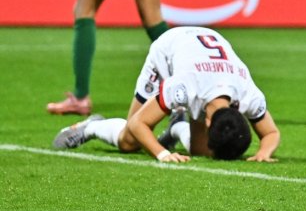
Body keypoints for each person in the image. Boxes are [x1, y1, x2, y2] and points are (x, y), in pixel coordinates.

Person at [52, 26, 281, 163]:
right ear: (208, 122)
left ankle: (176, 127)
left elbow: (271, 132)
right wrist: (162, 154)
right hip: (168, 48)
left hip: (203, 59)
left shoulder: (249, 95)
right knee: (129, 140)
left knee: (201, 151)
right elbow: (138, 124)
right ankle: (91, 127)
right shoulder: (184, 87)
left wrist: (264, 151)